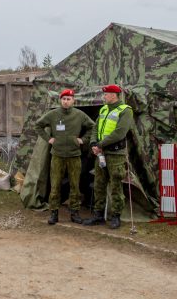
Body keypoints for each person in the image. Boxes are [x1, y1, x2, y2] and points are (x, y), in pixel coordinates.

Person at [34, 88, 94, 225]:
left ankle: (74, 213)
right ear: (60, 100)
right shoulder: (53, 114)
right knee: (55, 185)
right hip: (57, 155)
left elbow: (93, 126)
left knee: (75, 185)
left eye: (68, 99)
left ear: (73, 101)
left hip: (74, 156)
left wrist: (83, 140)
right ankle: (54, 212)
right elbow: (38, 125)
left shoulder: (80, 115)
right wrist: (48, 139)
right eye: (63, 99)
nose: (66, 102)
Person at [84, 84, 134, 229]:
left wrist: (100, 144)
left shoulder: (125, 110)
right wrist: (94, 142)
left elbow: (120, 132)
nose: (103, 97)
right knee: (99, 184)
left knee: (116, 185)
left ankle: (116, 216)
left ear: (113, 95)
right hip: (101, 154)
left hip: (115, 154)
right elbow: (95, 127)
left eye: (106, 94)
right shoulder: (104, 109)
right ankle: (98, 215)